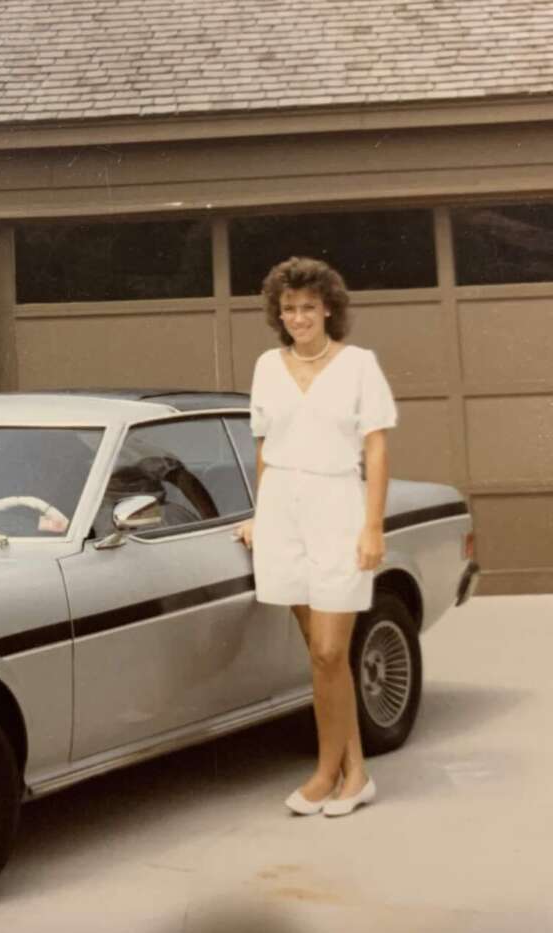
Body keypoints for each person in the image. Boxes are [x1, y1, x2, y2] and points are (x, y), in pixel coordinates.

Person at [234, 256, 397, 818]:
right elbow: (263, 446)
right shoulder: (266, 366)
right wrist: (260, 514)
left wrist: (372, 524)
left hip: (337, 507)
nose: (299, 317)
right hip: (282, 508)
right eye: (289, 309)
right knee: (320, 655)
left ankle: (327, 772)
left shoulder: (358, 366)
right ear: (278, 315)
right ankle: (356, 774)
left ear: (328, 307)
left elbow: (375, 448)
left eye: (308, 306)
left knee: (331, 650)